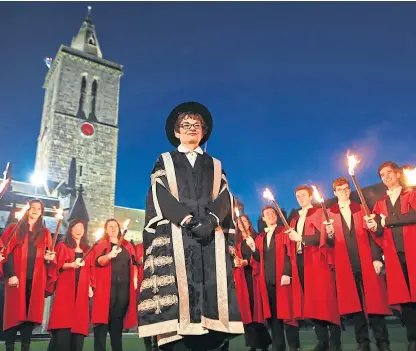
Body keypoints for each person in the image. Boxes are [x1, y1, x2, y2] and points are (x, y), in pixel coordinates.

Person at [138, 102, 243, 351]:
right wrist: (185, 219)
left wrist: (211, 221)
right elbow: (159, 193)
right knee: (178, 315)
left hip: (210, 240)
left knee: (212, 324)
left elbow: (225, 196)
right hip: (177, 235)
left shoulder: (215, 164)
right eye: (185, 125)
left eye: (197, 125)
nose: (191, 129)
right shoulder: (165, 160)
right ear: (176, 132)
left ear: (203, 132)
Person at [325, 177, 391, 351]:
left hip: (366, 260)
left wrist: (377, 257)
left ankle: (382, 340)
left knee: (375, 301)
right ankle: (363, 342)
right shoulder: (330, 214)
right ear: (335, 192)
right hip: (345, 264)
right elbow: (329, 243)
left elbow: (373, 234)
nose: (344, 191)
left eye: (346, 189)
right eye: (340, 189)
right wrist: (329, 234)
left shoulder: (361, 208)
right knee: (355, 304)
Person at [366, 161, 416, 351]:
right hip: (395, 256)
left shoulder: (411, 193)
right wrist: (374, 226)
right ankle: (413, 338)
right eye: (382, 175)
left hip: (413, 252)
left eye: (388, 173)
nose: (385, 177)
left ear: (397, 174)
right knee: (407, 299)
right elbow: (378, 232)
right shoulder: (380, 203)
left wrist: (387, 221)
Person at [287, 186, 341, 351]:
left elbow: (322, 236)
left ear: (310, 196)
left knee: (326, 300)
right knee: (311, 302)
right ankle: (322, 340)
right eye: (297, 196)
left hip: (318, 261)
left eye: (303, 195)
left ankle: (335, 343)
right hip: (302, 262)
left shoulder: (319, 213)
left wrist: (301, 238)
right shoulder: (295, 220)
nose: (300, 198)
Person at [2, 199, 54, 351]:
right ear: (27, 210)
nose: (35, 210)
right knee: (13, 313)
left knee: (30, 314)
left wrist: (49, 257)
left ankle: (26, 346)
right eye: (33, 207)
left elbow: (48, 254)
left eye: (39, 208)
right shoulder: (15, 228)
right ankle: (9, 346)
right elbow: (5, 252)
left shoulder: (44, 233)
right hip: (17, 278)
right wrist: (11, 274)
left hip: (36, 278)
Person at [251, 206, 299, 351]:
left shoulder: (284, 231)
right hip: (268, 282)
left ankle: (294, 347)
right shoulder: (260, 237)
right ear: (263, 219)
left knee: (289, 316)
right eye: (267, 214)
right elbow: (259, 259)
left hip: (283, 279)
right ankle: (278, 348)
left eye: (273, 213)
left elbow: (290, 253)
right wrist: (253, 248)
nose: (270, 215)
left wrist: (287, 273)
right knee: (274, 319)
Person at [47, 219, 95, 351]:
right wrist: (71, 265)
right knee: (63, 325)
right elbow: (57, 265)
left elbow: (91, 269)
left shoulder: (88, 249)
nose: (79, 230)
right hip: (66, 288)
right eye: (76, 227)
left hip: (82, 290)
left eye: (81, 227)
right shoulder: (63, 246)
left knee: (78, 328)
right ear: (70, 229)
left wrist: (90, 286)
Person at [92, 219, 138, 351]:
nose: (113, 228)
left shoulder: (127, 245)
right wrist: (109, 255)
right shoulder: (102, 243)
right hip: (105, 289)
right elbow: (98, 261)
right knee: (101, 324)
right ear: (106, 230)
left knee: (117, 325)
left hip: (123, 290)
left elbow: (134, 263)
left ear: (119, 228)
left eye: (115, 226)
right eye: (110, 226)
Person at [233, 214, 271, 351]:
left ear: (248, 224)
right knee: (246, 312)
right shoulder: (236, 243)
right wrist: (236, 262)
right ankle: (252, 344)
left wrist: (248, 262)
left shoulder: (257, 238)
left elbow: (260, 257)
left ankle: (263, 343)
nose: (241, 224)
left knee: (256, 311)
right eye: (239, 222)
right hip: (242, 279)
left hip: (254, 278)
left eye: (244, 221)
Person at [136, 241, 159, 351]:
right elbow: (136, 261)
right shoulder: (139, 247)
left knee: (157, 314)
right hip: (143, 285)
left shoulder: (160, 243)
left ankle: (156, 342)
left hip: (157, 285)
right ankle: (147, 344)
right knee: (144, 315)